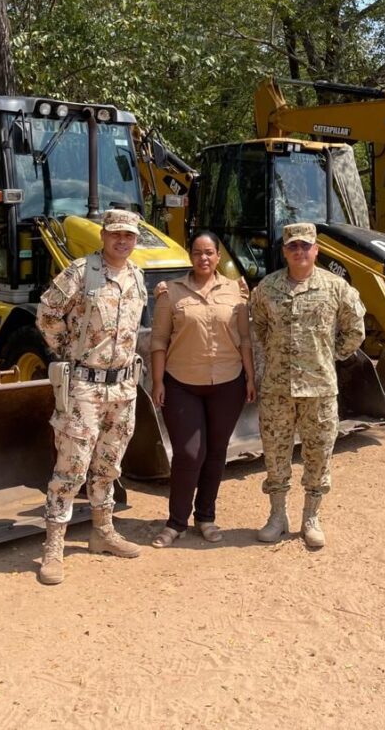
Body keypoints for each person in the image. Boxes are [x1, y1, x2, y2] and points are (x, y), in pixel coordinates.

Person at [35, 208, 148, 585]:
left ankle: (103, 531)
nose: (122, 241)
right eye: (116, 234)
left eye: (129, 236)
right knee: (73, 464)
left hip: (123, 386)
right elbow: (47, 313)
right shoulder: (80, 272)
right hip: (84, 385)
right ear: (103, 235)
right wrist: (69, 350)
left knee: (109, 463)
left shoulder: (136, 276)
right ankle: (54, 546)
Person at [250, 222, 366, 548]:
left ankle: (311, 517)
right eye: (293, 246)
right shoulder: (267, 289)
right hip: (277, 390)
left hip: (320, 390)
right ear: (284, 251)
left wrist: (328, 357)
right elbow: (259, 329)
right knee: (275, 457)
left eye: (306, 246)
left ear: (316, 250)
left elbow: (355, 330)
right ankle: (277, 516)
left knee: (318, 456)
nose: (299, 251)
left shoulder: (336, 288)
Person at [148, 231, 257, 548]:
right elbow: (158, 341)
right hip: (181, 383)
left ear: (218, 256)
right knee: (189, 453)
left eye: (209, 252)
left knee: (216, 452)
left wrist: (250, 377)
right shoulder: (171, 292)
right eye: (197, 252)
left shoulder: (236, 291)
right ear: (190, 256)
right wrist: (157, 382)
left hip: (228, 382)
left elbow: (245, 339)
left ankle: (206, 517)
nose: (204, 258)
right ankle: (176, 522)